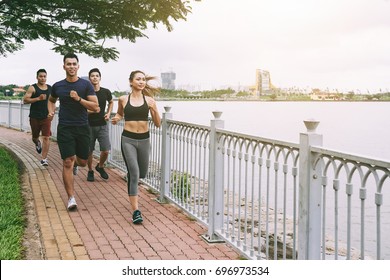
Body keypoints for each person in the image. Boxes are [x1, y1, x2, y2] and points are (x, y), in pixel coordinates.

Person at [47, 53, 100, 211]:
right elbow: (51, 100)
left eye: (74, 64)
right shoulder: (58, 86)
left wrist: (79, 99)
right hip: (65, 127)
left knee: (82, 162)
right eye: (68, 64)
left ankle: (77, 163)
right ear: (64, 66)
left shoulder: (86, 85)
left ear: (78, 66)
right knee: (67, 161)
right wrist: (51, 111)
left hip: (82, 127)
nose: (71, 66)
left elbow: (96, 107)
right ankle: (71, 198)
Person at [111, 70, 161, 224]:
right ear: (131, 82)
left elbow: (158, 124)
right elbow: (120, 114)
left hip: (144, 140)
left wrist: (154, 109)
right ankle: (136, 211)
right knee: (134, 173)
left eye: (143, 79)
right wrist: (115, 119)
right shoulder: (123, 99)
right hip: (128, 139)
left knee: (142, 173)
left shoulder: (150, 100)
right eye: (138, 79)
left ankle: (131, 177)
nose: (141, 82)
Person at [86, 68, 114, 182]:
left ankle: (100, 166)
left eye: (97, 76)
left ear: (100, 78)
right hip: (88, 125)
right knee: (89, 151)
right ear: (89, 78)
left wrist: (108, 113)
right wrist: (91, 112)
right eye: (92, 76)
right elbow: (82, 108)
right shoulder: (86, 92)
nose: (95, 77)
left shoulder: (105, 91)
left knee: (106, 149)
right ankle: (90, 171)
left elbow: (111, 101)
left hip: (102, 124)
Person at [23, 69, 52, 166]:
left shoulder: (50, 88)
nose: (43, 78)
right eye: (41, 76)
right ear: (37, 77)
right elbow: (25, 100)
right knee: (35, 137)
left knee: (47, 137)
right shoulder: (33, 88)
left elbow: (52, 102)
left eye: (44, 76)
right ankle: (37, 143)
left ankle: (44, 159)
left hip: (46, 117)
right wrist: (38, 98)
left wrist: (52, 112)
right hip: (34, 117)